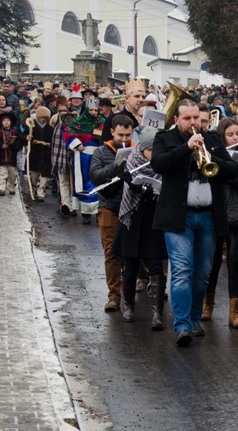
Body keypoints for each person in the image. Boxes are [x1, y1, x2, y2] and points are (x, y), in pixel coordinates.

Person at [151, 98, 238, 346]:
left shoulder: (211, 139)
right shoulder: (164, 139)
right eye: (187, 118)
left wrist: (211, 157)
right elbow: (159, 164)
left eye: (196, 118)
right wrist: (186, 148)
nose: (193, 123)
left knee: (202, 274)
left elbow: (232, 171)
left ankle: (193, 317)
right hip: (179, 217)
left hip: (209, 215)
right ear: (176, 119)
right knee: (181, 271)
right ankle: (182, 325)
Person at [109, 127, 168, 329]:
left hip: (153, 219)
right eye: (149, 149)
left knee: (155, 264)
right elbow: (112, 188)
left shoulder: (162, 165)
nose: (153, 154)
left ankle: (157, 312)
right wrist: (124, 176)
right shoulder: (132, 161)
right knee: (130, 263)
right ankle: (128, 304)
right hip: (132, 218)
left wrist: (151, 191)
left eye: (156, 149)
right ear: (142, 148)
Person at [202, 118, 238, 329]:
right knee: (212, 263)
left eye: (237, 134)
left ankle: (234, 312)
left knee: (235, 262)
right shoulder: (212, 154)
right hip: (218, 212)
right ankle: (208, 305)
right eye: (230, 135)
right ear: (222, 137)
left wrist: (230, 167)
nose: (235, 138)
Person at [89, 115, 135, 312]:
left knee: (132, 254)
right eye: (120, 135)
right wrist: (116, 164)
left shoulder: (138, 151)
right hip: (109, 206)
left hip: (133, 207)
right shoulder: (100, 151)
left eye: (128, 135)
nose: (124, 139)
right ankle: (114, 295)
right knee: (111, 252)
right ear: (112, 133)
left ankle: (129, 294)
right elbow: (95, 177)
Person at [64, 97, 105, 224]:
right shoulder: (78, 122)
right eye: (91, 110)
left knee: (99, 182)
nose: (93, 113)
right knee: (85, 182)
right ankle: (86, 213)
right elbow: (68, 136)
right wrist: (77, 144)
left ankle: (99, 211)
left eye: (95, 110)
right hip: (84, 156)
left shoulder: (102, 122)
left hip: (98, 155)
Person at [25, 106, 54, 202]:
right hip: (35, 152)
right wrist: (27, 138)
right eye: (41, 117)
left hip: (46, 153)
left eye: (45, 118)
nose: (43, 119)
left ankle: (41, 191)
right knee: (34, 174)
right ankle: (33, 187)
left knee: (44, 175)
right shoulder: (32, 127)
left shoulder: (50, 128)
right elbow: (23, 138)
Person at [0, 112, 23, 196]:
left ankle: (11, 187)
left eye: (8, 120)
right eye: (4, 120)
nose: (6, 122)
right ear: (1, 122)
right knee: (2, 173)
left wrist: (13, 146)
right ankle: (2, 187)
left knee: (12, 174)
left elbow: (19, 142)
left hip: (12, 157)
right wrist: (1, 145)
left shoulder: (15, 132)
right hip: (1, 156)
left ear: (11, 122)